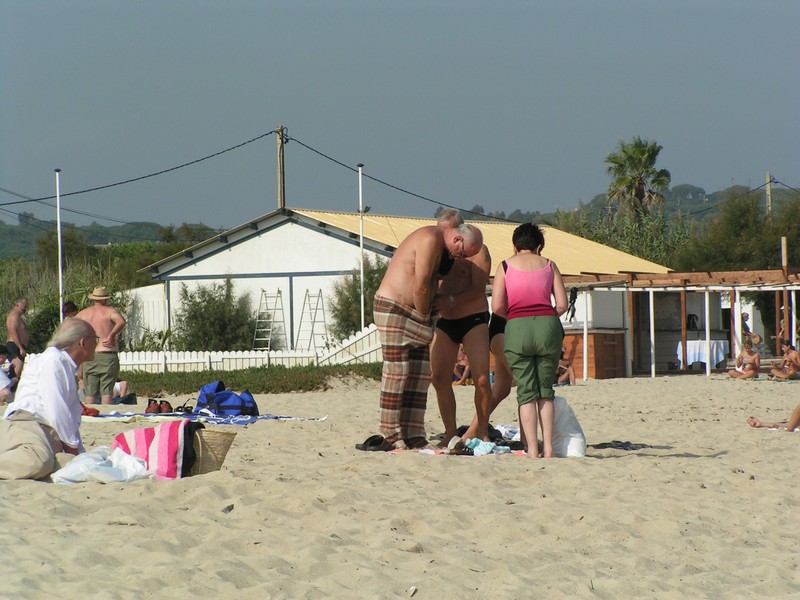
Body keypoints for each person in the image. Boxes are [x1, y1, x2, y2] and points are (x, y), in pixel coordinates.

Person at [361, 218, 484, 451]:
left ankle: (414, 432)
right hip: (395, 308)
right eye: (462, 253)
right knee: (397, 372)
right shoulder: (430, 239)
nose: (460, 258)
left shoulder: (443, 249)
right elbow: (421, 286)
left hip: (417, 313)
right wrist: (425, 316)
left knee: (419, 376)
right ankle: (391, 433)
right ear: (457, 238)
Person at [491, 222, 568, 458]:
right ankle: (549, 449)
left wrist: (515, 317)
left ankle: (532, 449)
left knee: (526, 391)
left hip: (517, 326)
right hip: (547, 325)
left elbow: (497, 306)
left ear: (515, 247)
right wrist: (546, 317)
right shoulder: (550, 265)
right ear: (539, 247)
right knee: (545, 391)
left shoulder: (505, 266)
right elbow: (562, 305)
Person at [0, 318, 97, 480]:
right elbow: (57, 411)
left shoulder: (64, 364)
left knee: (69, 463)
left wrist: (80, 453)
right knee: (37, 462)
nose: (97, 344)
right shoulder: (54, 359)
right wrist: (75, 452)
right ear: (83, 342)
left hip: (46, 429)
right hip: (26, 422)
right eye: (95, 339)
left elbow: (69, 419)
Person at [430, 243, 492, 444]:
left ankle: (482, 431)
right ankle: (450, 432)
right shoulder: (439, 248)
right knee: (439, 378)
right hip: (445, 320)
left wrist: (451, 299)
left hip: (473, 318)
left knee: (482, 379)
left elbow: (478, 289)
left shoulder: (478, 250)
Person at [76, 286, 127, 405]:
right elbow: (121, 321)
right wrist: (111, 335)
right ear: (105, 299)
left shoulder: (83, 314)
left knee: (90, 392)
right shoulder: (110, 311)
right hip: (107, 354)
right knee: (107, 391)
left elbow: (71, 326)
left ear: (93, 299)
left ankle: (90, 413)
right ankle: (106, 413)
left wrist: (81, 341)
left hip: (90, 355)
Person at [5, 296, 29, 379]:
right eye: (24, 306)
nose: (25, 309)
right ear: (17, 305)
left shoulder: (17, 317)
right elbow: (13, 332)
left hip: (17, 346)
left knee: (17, 373)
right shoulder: (13, 316)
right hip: (15, 346)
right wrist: (20, 347)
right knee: (15, 374)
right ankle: (9, 387)